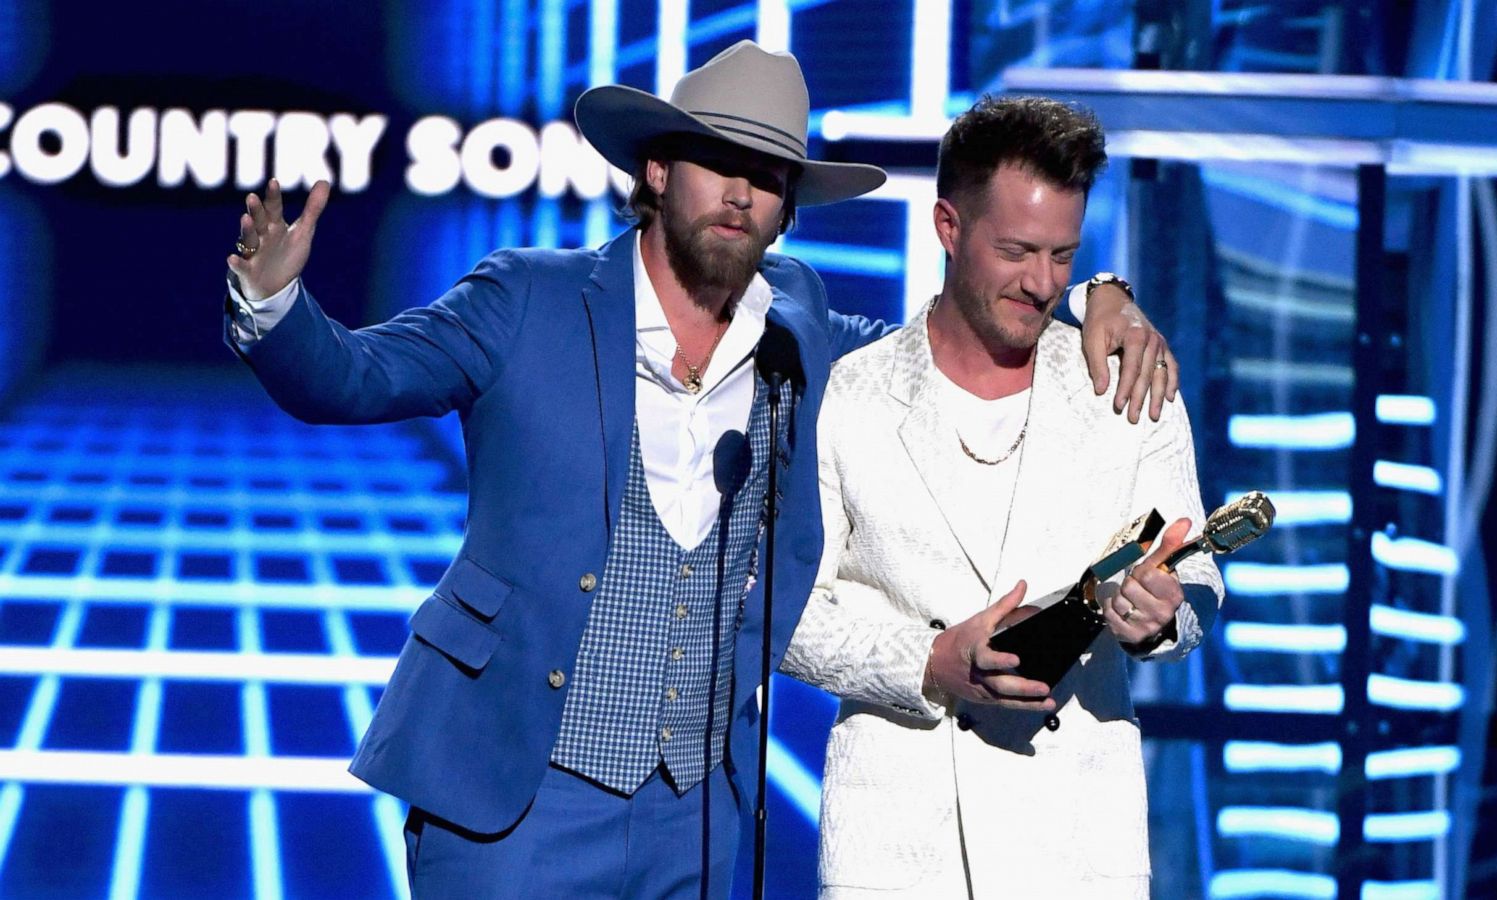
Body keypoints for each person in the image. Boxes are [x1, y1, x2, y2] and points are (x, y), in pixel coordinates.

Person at [223, 43, 1174, 899]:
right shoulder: (529, 299)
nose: (740, 194)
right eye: (719, 163)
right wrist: (274, 304)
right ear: (658, 167)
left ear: (788, 207)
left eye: (767, 177)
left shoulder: (797, 321)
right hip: (513, 795)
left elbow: (936, 344)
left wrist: (1095, 293)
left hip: (699, 813)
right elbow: (352, 377)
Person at [780, 95, 1224, 899]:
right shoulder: (852, 396)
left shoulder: (1127, 384)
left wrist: (1165, 620)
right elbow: (787, 613)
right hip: (896, 850)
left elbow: (1196, 581)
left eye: (1063, 255)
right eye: (1016, 250)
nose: (1042, 283)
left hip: (1077, 846)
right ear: (948, 227)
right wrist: (929, 660)